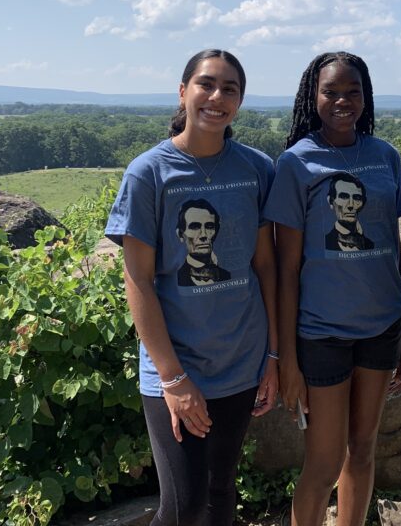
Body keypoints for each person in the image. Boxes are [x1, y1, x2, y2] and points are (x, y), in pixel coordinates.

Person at [106, 49, 279, 526]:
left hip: (242, 363)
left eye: (230, 89)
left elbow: (266, 266)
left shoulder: (257, 168)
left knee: (222, 491)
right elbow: (138, 280)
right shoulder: (150, 173)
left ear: (240, 102)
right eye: (206, 84)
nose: (217, 96)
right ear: (183, 92)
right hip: (175, 368)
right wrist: (175, 380)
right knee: (184, 506)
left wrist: (274, 357)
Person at [264, 52, 401, 526]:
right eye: (331, 91)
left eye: (353, 91)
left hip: (382, 325)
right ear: (313, 96)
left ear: (366, 97)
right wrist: (286, 357)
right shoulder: (296, 163)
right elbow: (287, 269)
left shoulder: (385, 156)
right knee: (324, 462)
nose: (342, 100)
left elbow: (392, 244)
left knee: (364, 449)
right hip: (322, 332)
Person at [176, 198, 232, 285]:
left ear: (216, 231)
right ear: (180, 234)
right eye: (194, 227)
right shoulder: (177, 278)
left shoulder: (227, 275)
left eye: (209, 226)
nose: (203, 235)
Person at [324, 173, 376, 251]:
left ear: (363, 203)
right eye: (344, 197)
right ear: (331, 202)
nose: (351, 205)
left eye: (357, 198)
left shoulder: (370, 244)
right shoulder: (325, 242)